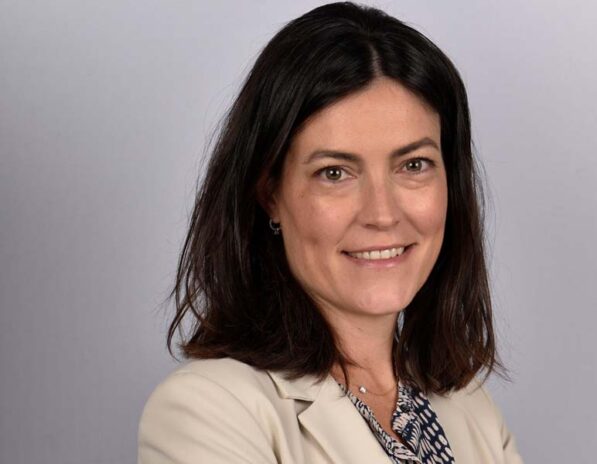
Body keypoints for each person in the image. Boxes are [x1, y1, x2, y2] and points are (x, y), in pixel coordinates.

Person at [138, 2, 524, 463]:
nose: (382, 214)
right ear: (269, 193)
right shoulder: (209, 410)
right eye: (335, 173)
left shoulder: (470, 409)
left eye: (413, 165)